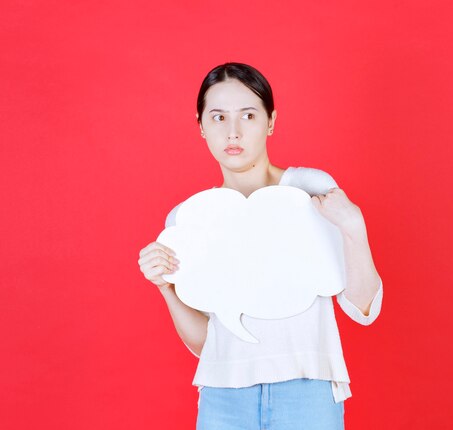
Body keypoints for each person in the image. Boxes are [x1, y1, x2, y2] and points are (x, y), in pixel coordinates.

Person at [137, 62, 383, 430]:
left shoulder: (311, 189)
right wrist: (166, 288)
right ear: (201, 126)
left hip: (309, 389)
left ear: (270, 121)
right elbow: (208, 345)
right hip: (224, 398)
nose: (233, 132)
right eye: (218, 117)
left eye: (248, 115)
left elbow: (363, 308)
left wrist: (354, 227)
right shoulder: (188, 219)